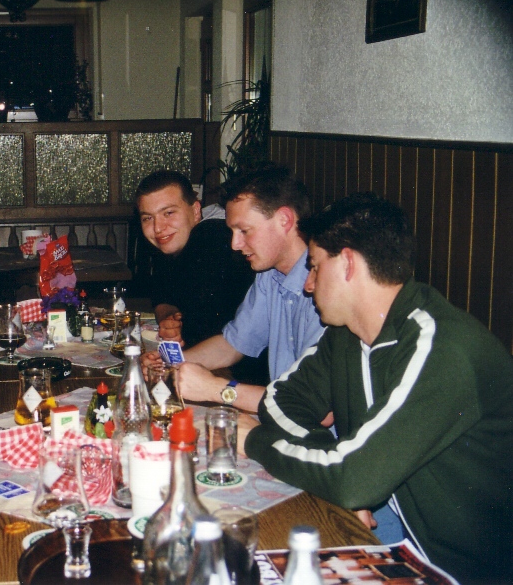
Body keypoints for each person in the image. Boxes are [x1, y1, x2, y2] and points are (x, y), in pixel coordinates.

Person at [239, 193, 513, 584]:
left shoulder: (443, 347)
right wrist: (336, 473)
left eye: (314, 266)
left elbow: (352, 480)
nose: (308, 285)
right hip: (394, 535)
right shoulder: (346, 335)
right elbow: (281, 401)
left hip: (463, 569)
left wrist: (255, 441)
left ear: (348, 263)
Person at [171, 166, 325, 415]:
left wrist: (216, 388)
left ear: (284, 220)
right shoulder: (269, 275)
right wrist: (170, 363)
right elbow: (233, 343)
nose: (235, 244)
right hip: (281, 422)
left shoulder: (326, 288)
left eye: (244, 230)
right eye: (233, 232)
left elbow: (313, 407)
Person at [135, 170, 253, 350]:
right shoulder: (175, 241)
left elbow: (203, 331)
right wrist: (169, 317)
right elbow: (162, 294)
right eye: (148, 218)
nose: (158, 228)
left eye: (168, 213)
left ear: (196, 211)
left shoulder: (211, 237)